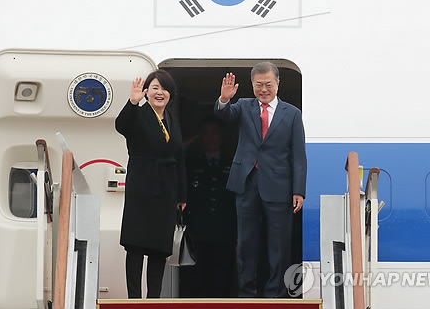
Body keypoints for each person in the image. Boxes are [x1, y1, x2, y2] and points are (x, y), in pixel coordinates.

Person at [214, 62, 307, 298]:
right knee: (246, 243)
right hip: (246, 183)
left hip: (279, 186)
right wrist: (224, 99)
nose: (263, 89)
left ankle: (275, 293)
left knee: (279, 244)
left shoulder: (293, 114)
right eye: (258, 85)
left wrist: (299, 190)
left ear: (278, 83)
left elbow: (298, 156)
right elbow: (223, 115)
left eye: (268, 84)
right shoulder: (244, 106)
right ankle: (247, 292)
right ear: (252, 85)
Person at [115, 69, 186, 298]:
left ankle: (154, 299)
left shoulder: (172, 120)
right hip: (141, 188)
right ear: (146, 92)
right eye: (155, 88)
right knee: (135, 246)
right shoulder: (138, 114)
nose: (160, 93)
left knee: (159, 249)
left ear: (170, 94)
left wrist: (182, 195)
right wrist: (132, 103)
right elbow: (121, 126)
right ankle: (134, 299)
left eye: (164, 89)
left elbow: (179, 159)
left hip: (166, 191)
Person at [182, 118, 237, 297]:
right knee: (197, 279)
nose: (211, 138)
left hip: (226, 231)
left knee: (223, 279)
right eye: (206, 134)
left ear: (221, 137)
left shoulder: (233, 163)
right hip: (198, 232)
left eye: (215, 133)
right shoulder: (191, 163)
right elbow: (175, 153)